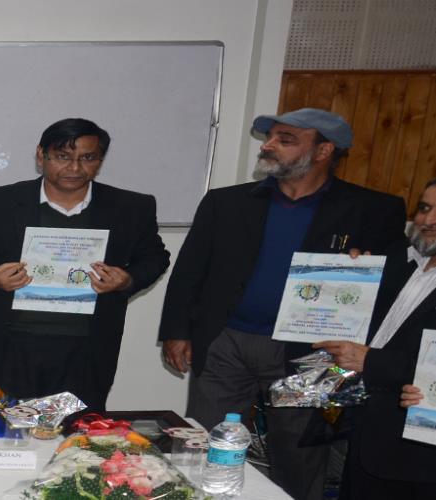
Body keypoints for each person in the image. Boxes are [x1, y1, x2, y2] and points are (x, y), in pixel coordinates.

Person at [158, 108, 407, 499]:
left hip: (314, 353)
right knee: (208, 443)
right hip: (226, 342)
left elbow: (398, 287)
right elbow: (190, 270)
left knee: (299, 456)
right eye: (270, 137)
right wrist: (176, 331)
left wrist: (368, 266)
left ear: (324, 150)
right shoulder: (226, 202)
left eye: (285, 139)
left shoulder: (374, 209)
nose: (269, 145)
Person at [0, 118, 169, 411]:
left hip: (85, 350)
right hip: (6, 345)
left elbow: (155, 257)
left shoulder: (130, 207)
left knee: (74, 434)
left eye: (88, 158)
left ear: (100, 161)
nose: (74, 168)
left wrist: (128, 279)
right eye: (62, 156)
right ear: (40, 155)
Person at [313, 179, 436, 498]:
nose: (428, 220)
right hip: (362, 426)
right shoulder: (398, 258)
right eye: (424, 208)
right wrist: (354, 272)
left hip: (417, 452)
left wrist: (371, 360)